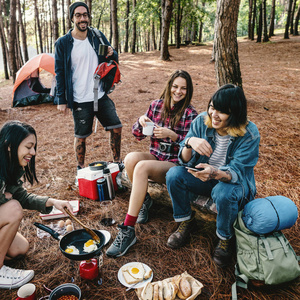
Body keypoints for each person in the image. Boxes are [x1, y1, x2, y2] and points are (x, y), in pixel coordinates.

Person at [165, 84, 260, 267]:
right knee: (173, 175)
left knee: (223, 193)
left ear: (236, 114)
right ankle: (186, 221)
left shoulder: (249, 134)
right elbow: (184, 161)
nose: (214, 115)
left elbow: (238, 173)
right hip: (204, 178)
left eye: (222, 111)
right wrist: (189, 142)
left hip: (231, 183)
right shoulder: (201, 121)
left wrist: (214, 173)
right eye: (212, 107)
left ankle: (225, 238)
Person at [106, 70, 198, 258]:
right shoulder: (156, 106)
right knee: (130, 159)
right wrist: (141, 122)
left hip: (174, 165)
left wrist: (172, 135)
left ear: (188, 91)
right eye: (175, 86)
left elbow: (192, 150)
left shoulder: (190, 114)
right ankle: (145, 201)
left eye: (183, 88)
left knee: (141, 167)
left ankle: (128, 229)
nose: (178, 91)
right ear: (169, 86)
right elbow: (137, 135)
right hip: (156, 157)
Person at [0, 121, 74, 289]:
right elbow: (13, 203)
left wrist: (53, 202)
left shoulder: (9, 164)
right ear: (10, 145)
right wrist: (5, 199)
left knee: (20, 248)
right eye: (28, 147)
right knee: (13, 208)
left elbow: (22, 196)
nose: (33, 152)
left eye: (34, 147)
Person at [55, 1, 122, 177]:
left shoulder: (97, 35)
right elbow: (59, 72)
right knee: (81, 136)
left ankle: (117, 163)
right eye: (78, 15)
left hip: (99, 94)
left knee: (116, 127)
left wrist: (111, 52)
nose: (82, 18)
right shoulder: (63, 43)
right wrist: (61, 99)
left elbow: (113, 56)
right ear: (72, 18)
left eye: (85, 15)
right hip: (79, 97)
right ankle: (80, 168)